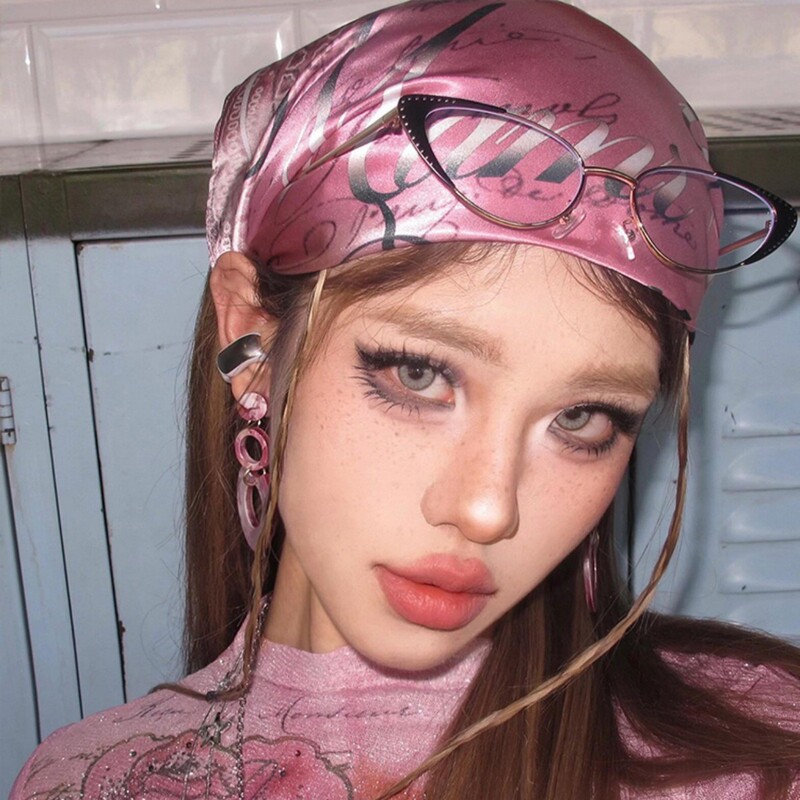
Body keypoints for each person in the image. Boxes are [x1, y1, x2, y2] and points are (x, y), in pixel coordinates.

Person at [11, 1, 800, 798]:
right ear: (250, 335)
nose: (488, 510)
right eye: (419, 375)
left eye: (581, 418)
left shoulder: (762, 759)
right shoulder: (81, 780)